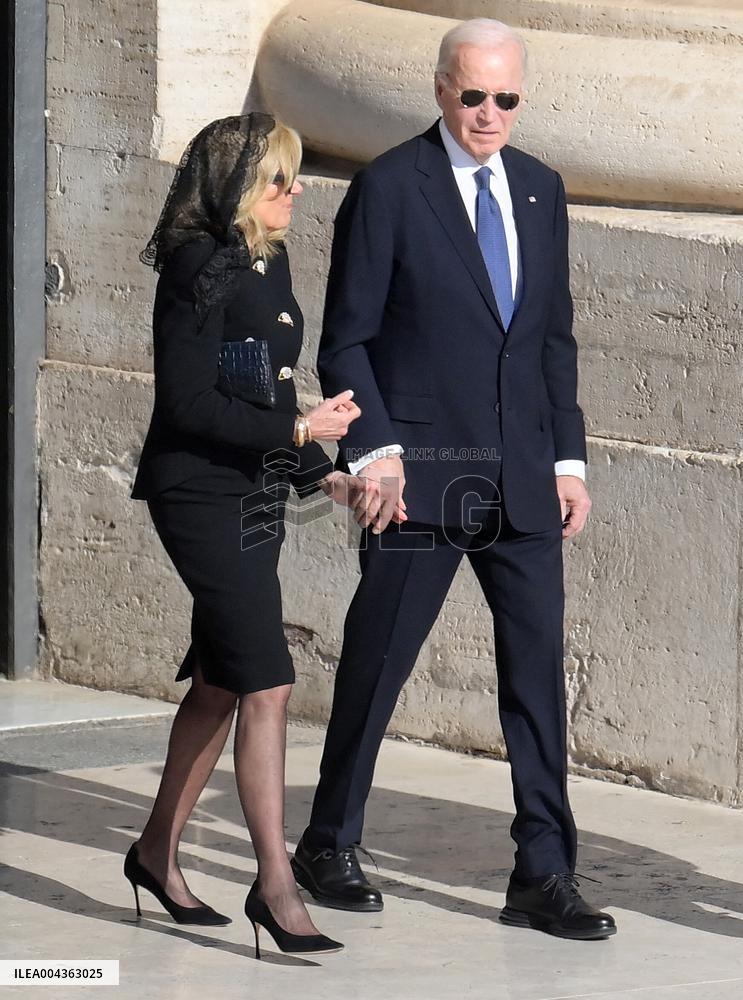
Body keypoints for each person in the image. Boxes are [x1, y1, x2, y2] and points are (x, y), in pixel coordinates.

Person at [292, 20, 617, 940]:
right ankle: (328, 841)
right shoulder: (389, 188)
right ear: (440, 89)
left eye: (504, 98)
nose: (487, 114)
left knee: (535, 682)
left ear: (521, 97)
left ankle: (543, 871)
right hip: (419, 482)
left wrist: (566, 460)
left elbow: (550, 339)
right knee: (376, 665)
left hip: (521, 483)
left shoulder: (542, 191)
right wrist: (375, 450)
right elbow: (345, 337)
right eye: (471, 95)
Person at [126, 112, 371, 958]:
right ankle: (274, 884)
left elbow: (258, 395)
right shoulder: (197, 266)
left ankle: (155, 854)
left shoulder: (266, 260)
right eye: (277, 177)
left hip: (257, 491)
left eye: (293, 175)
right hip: (197, 495)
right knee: (266, 680)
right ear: (234, 189)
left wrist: (320, 468)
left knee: (224, 683)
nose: (294, 189)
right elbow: (188, 405)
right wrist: (303, 436)